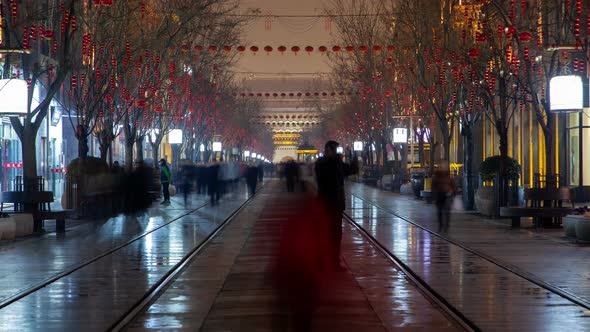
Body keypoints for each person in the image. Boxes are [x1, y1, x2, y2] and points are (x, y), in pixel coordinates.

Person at [314, 140, 358, 270]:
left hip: (335, 203)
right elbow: (331, 174)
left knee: (335, 234)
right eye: (334, 150)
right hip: (327, 203)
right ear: (328, 150)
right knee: (327, 233)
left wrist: (354, 155)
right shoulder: (325, 164)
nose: (335, 152)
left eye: (336, 150)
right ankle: (324, 259)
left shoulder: (335, 163)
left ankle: (333, 261)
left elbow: (351, 170)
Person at [432, 161, 456, 232]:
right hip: (439, 195)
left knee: (447, 211)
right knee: (439, 212)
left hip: (448, 195)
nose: (443, 167)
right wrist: (433, 196)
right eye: (441, 166)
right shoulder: (436, 175)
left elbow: (453, 185)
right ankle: (440, 226)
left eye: (444, 166)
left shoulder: (449, 175)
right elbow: (433, 186)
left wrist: (453, 193)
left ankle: (446, 227)